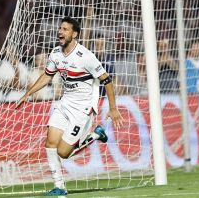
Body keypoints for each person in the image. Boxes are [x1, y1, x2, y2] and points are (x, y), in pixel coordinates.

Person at [16, 16, 124, 196]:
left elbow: (107, 81)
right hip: (65, 103)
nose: (60, 31)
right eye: (60, 28)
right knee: (50, 142)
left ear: (74, 34)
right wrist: (28, 93)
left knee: (64, 153)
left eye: (65, 29)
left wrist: (113, 109)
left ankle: (96, 134)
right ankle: (59, 187)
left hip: (82, 108)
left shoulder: (86, 56)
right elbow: (47, 75)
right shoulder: (55, 54)